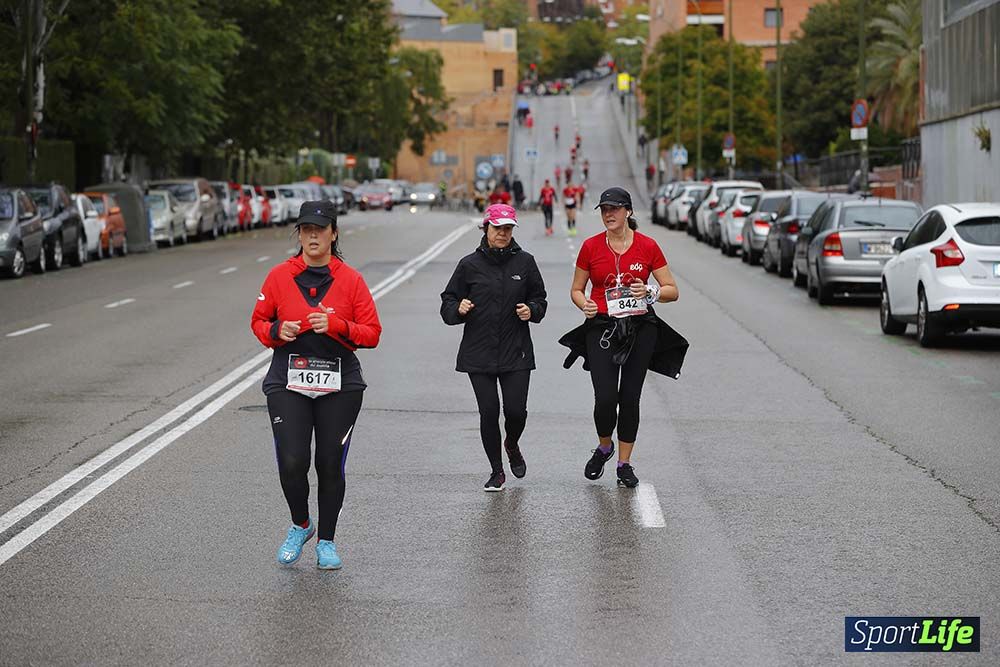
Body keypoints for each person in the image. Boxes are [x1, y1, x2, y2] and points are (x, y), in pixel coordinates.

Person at [251, 200, 382, 569]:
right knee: (292, 460)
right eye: (306, 229)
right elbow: (259, 322)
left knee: (329, 462)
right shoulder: (279, 276)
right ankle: (301, 524)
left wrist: (337, 325)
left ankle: (327, 540)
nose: (312, 235)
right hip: (287, 379)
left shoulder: (351, 280)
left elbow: (372, 333)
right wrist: (278, 330)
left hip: (340, 383)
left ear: (333, 234)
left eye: (320, 229)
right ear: (299, 234)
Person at [560, 187, 688, 488]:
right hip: (602, 327)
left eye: (614, 209)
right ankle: (605, 447)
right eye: (604, 209)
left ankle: (624, 464)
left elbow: (672, 290)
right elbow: (577, 289)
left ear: (628, 212)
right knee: (605, 398)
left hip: (640, 328)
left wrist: (652, 292)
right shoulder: (591, 247)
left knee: (629, 397)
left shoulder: (648, 246)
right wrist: (584, 304)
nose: (608, 214)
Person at [440, 204, 548, 491]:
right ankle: (496, 470)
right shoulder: (468, 265)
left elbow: (540, 299)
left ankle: (511, 444)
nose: (503, 233)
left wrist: (532, 310)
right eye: (498, 227)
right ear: (485, 227)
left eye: (508, 228)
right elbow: (448, 303)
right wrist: (458, 308)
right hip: (479, 351)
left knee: (516, 412)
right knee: (489, 411)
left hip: (517, 350)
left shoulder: (525, 262)